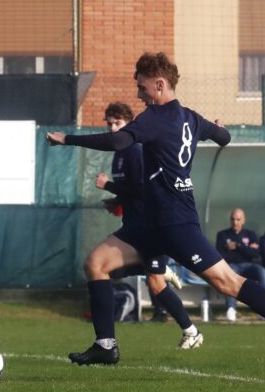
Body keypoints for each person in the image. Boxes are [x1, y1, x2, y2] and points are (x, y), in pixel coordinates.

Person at [47, 51, 265, 369]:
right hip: (150, 223)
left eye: (142, 87)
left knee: (227, 281)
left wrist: (68, 139)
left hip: (174, 222)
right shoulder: (191, 117)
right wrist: (217, 128)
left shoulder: (156, 118)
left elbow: (120, 141)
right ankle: (105, 345)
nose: (139, 94)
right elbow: (224, 137)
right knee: (96, 264)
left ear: (160, 84)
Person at [86, 101, 205, 357]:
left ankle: (191, 330)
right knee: (147, 281)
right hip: (135, 226)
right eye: (109, 124)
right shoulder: (120, 153)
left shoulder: (134, 150)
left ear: (130, 124)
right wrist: (117, 201)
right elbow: (132, 192)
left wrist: (108, 185)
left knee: (145, 281)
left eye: (117, 123)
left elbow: (142, 190)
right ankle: (190, 330)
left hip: (148, 228)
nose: (113, 127)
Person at [215, 208, 265, 322]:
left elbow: (255, 254)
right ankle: (231, 308)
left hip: (249, 266)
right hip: (232, 266)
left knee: (261, 271)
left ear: (243, 220)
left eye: (238, 220)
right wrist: (246, 249)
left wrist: (238, 246)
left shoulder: (251, 234)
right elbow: (220, 256)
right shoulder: (222, 235)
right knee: (230, 272)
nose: (235, 222)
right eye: (233, 219)